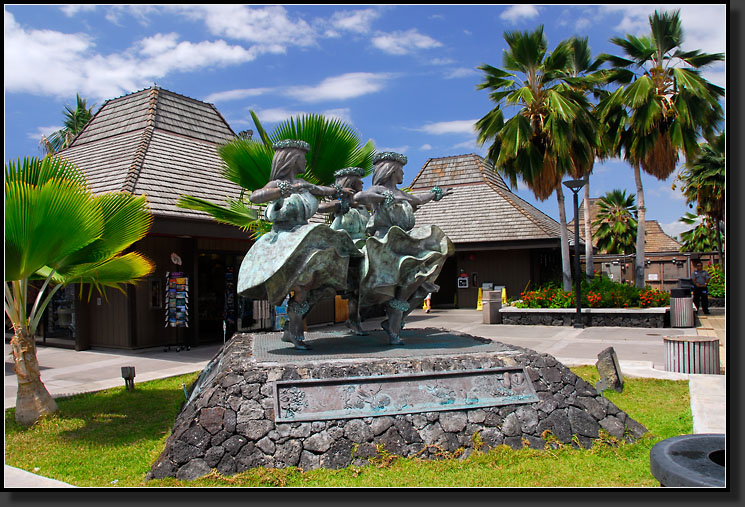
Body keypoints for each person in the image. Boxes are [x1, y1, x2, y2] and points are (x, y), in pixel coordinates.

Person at [237, 139, 361, 349]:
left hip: (304, 239)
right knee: (302, 286)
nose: (306, 162)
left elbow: (323, 193)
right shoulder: (277, 184)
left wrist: (339, 195)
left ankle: (292, 330)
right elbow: (255, 197)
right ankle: (293, 331)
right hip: (284, 242)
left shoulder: (304, 186)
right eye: (303, 157)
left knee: (311, 286)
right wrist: (282, 190)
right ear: (292, 159)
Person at [354, 151, 454, 345]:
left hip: (405, 244)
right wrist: (382, 199)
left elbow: (418, 199)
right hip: (385, 244)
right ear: (391, 171)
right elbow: (360, 196)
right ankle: (392, 327)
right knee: (403, 285)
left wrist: (435, 193)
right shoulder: (379, 190)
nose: (403, 175)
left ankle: (392, 322)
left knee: (419, 280)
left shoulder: (402, 194)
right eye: (401, 170)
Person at [317, 167, 370, 335]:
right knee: (325, 289)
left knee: (356, 290)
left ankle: (354, 320)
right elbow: (323, 212)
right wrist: (342, 202)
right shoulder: (341, 207)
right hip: (343, 250)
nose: (362, 182)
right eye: (359, 180)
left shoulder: (363, 207)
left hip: (361, 249)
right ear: (351, 183)